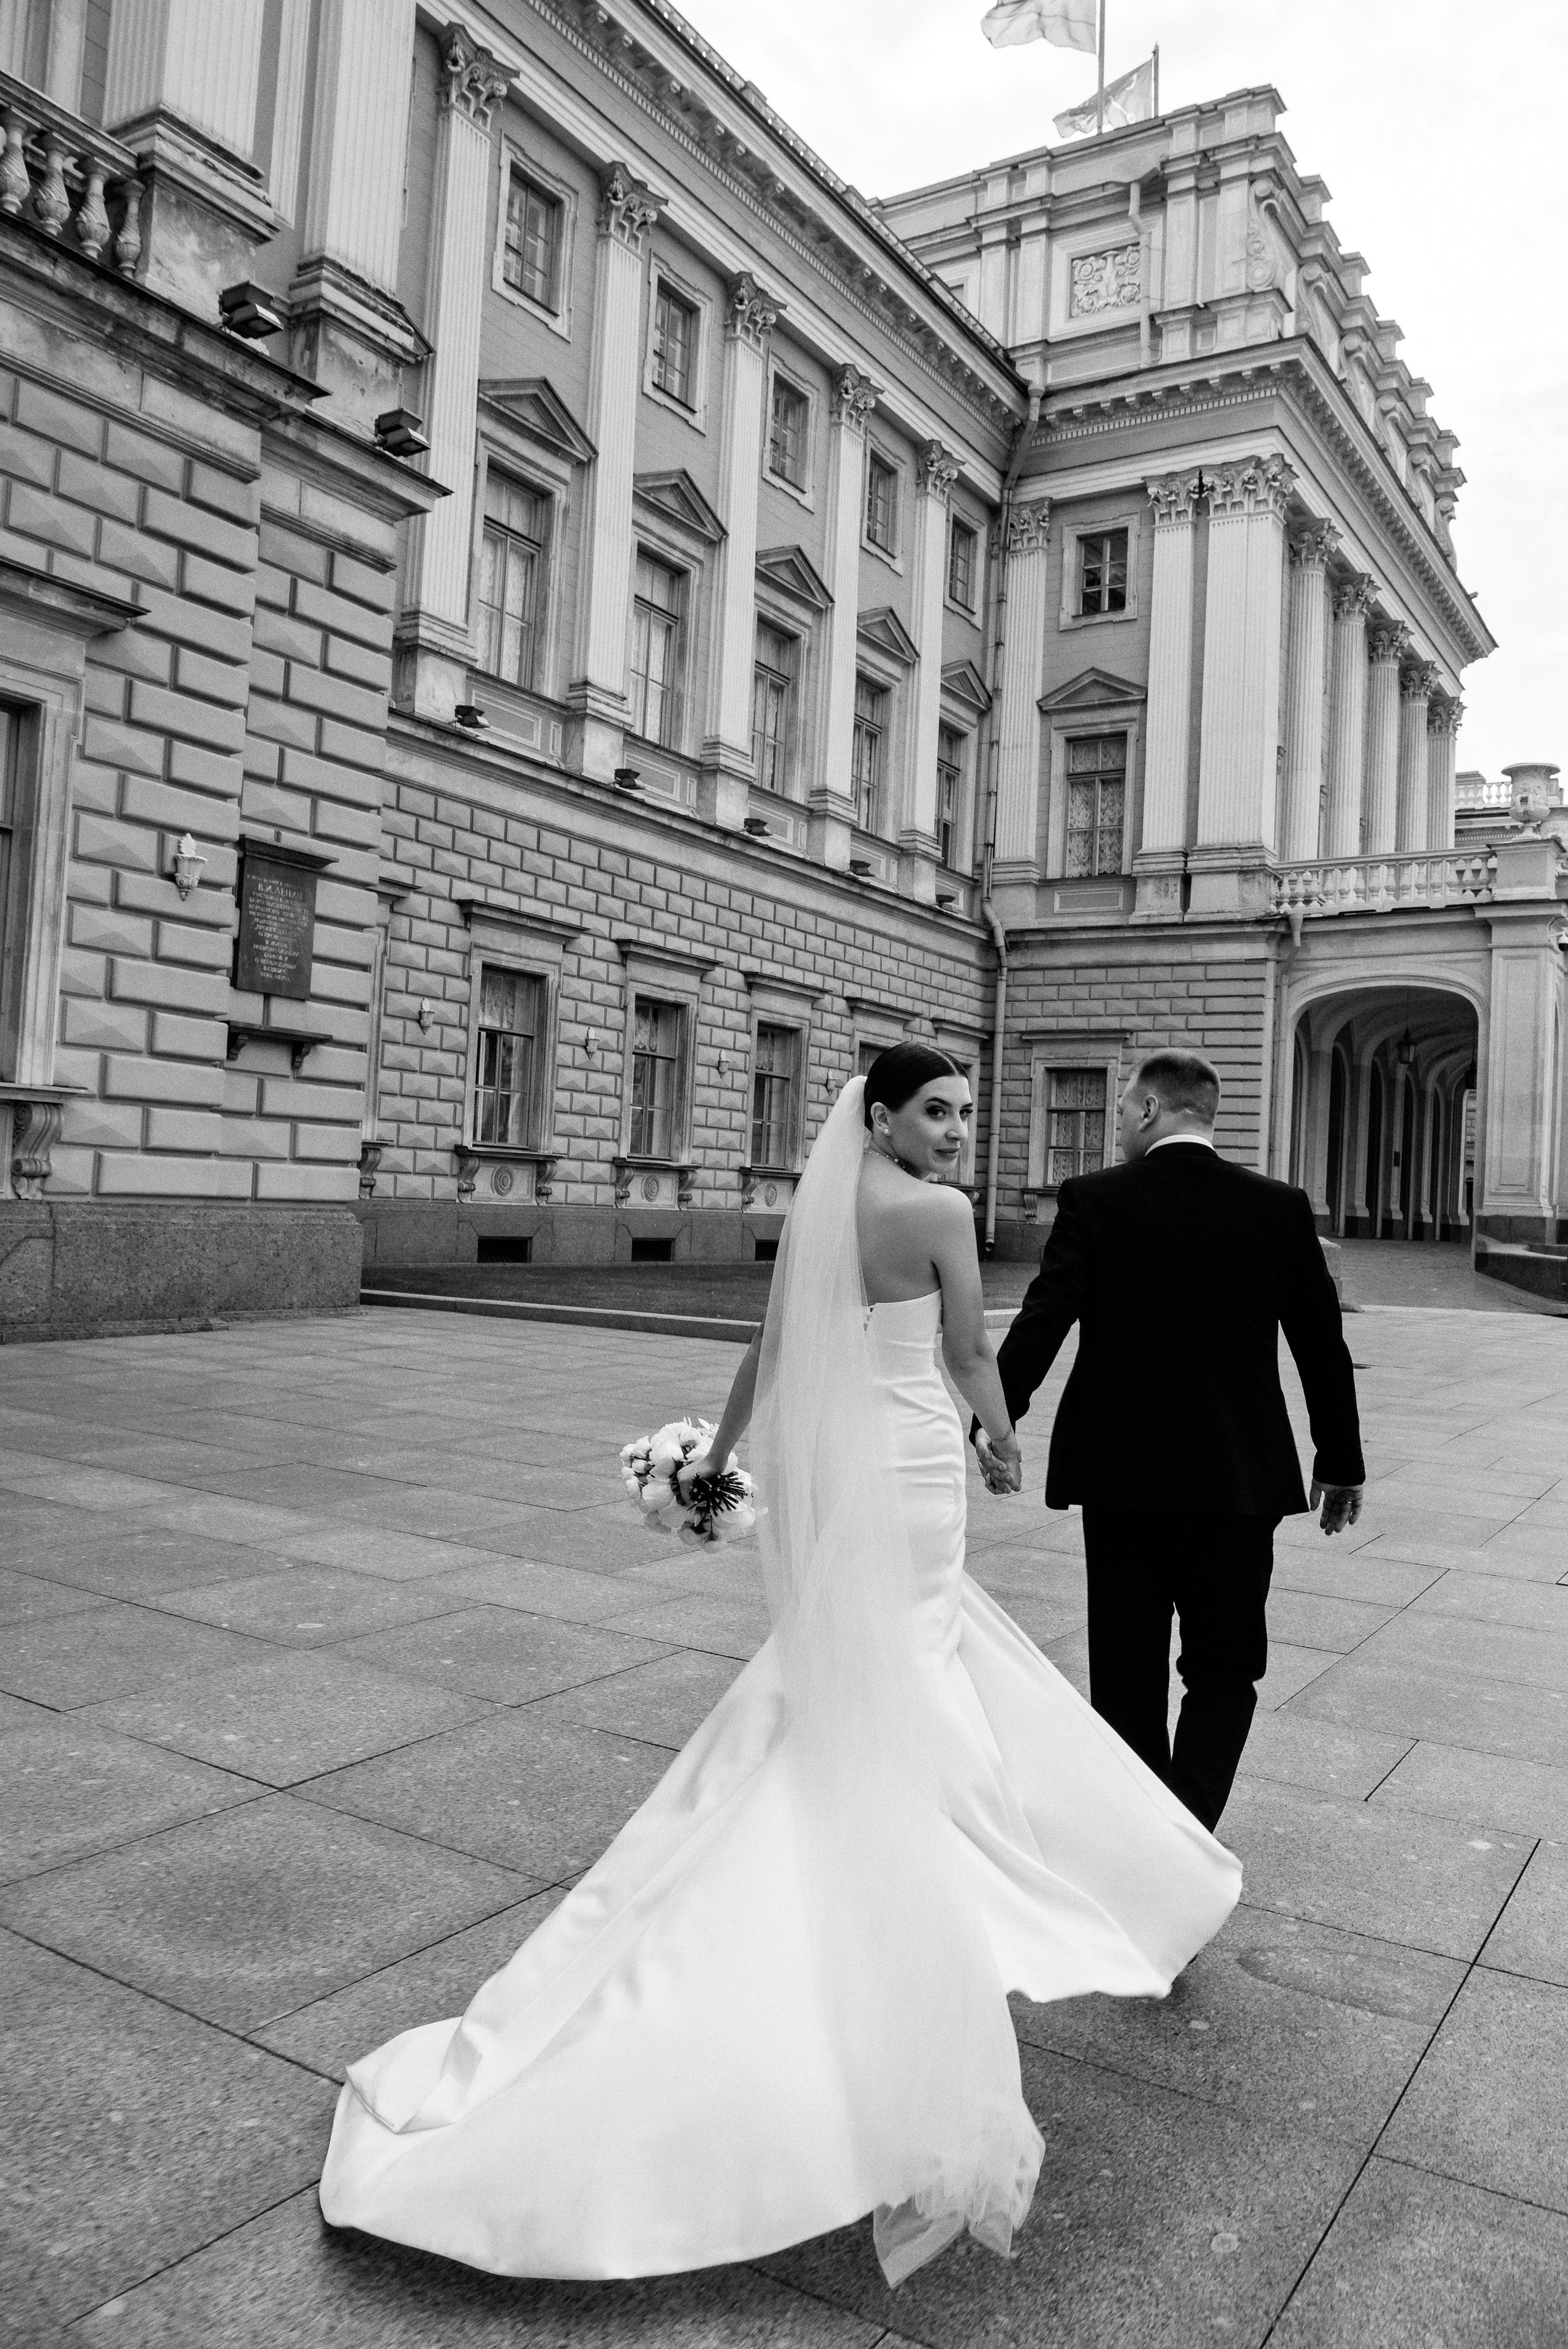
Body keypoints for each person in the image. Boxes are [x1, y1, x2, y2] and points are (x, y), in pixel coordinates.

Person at [319, 1047, 1240, 2288]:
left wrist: (719, 1456)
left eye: (965, 1113)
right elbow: (969, 1352)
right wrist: (1002, 1443)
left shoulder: (819, 1208)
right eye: (937, 1111)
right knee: (912, 1659)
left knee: (850, 1666)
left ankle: (909, 1826)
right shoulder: (933, 1213)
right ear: (882, 1115)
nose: (958, 1132)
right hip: (908, 1465)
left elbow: (766, 1347)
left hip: (823, 1468)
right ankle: (938, 1865)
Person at [978, 1047, 1365, 1833]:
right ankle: (1184, 1832)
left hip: (1121, 1477)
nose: (1119, 1122)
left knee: (1125, 1673)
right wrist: (1340, 1460)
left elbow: (1043, 1317)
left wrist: (996, 1418)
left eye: (1122, 1108)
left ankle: (1144, 1844)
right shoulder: (1279, 1207)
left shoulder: (1094, 1199)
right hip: (1237, 1477)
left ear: (1150, 1109)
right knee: (1225, 1669)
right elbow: (1320, 1345)